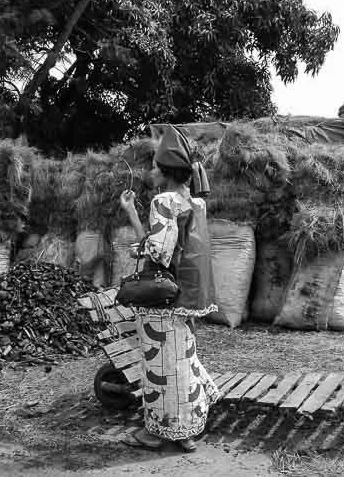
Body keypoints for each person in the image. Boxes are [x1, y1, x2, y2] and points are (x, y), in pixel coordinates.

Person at [118, 126, 219, 452]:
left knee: (159, 366)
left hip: (161, 300)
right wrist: (135, 216)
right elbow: (177, 249)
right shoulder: (195, 203)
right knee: (182, 362)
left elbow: (159, 253)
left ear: (166, 171)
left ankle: (157, 432)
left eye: (154, 167)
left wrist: (135, 234)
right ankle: (186, 432)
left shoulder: (163, 201)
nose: (149, 172)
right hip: (187, 296)